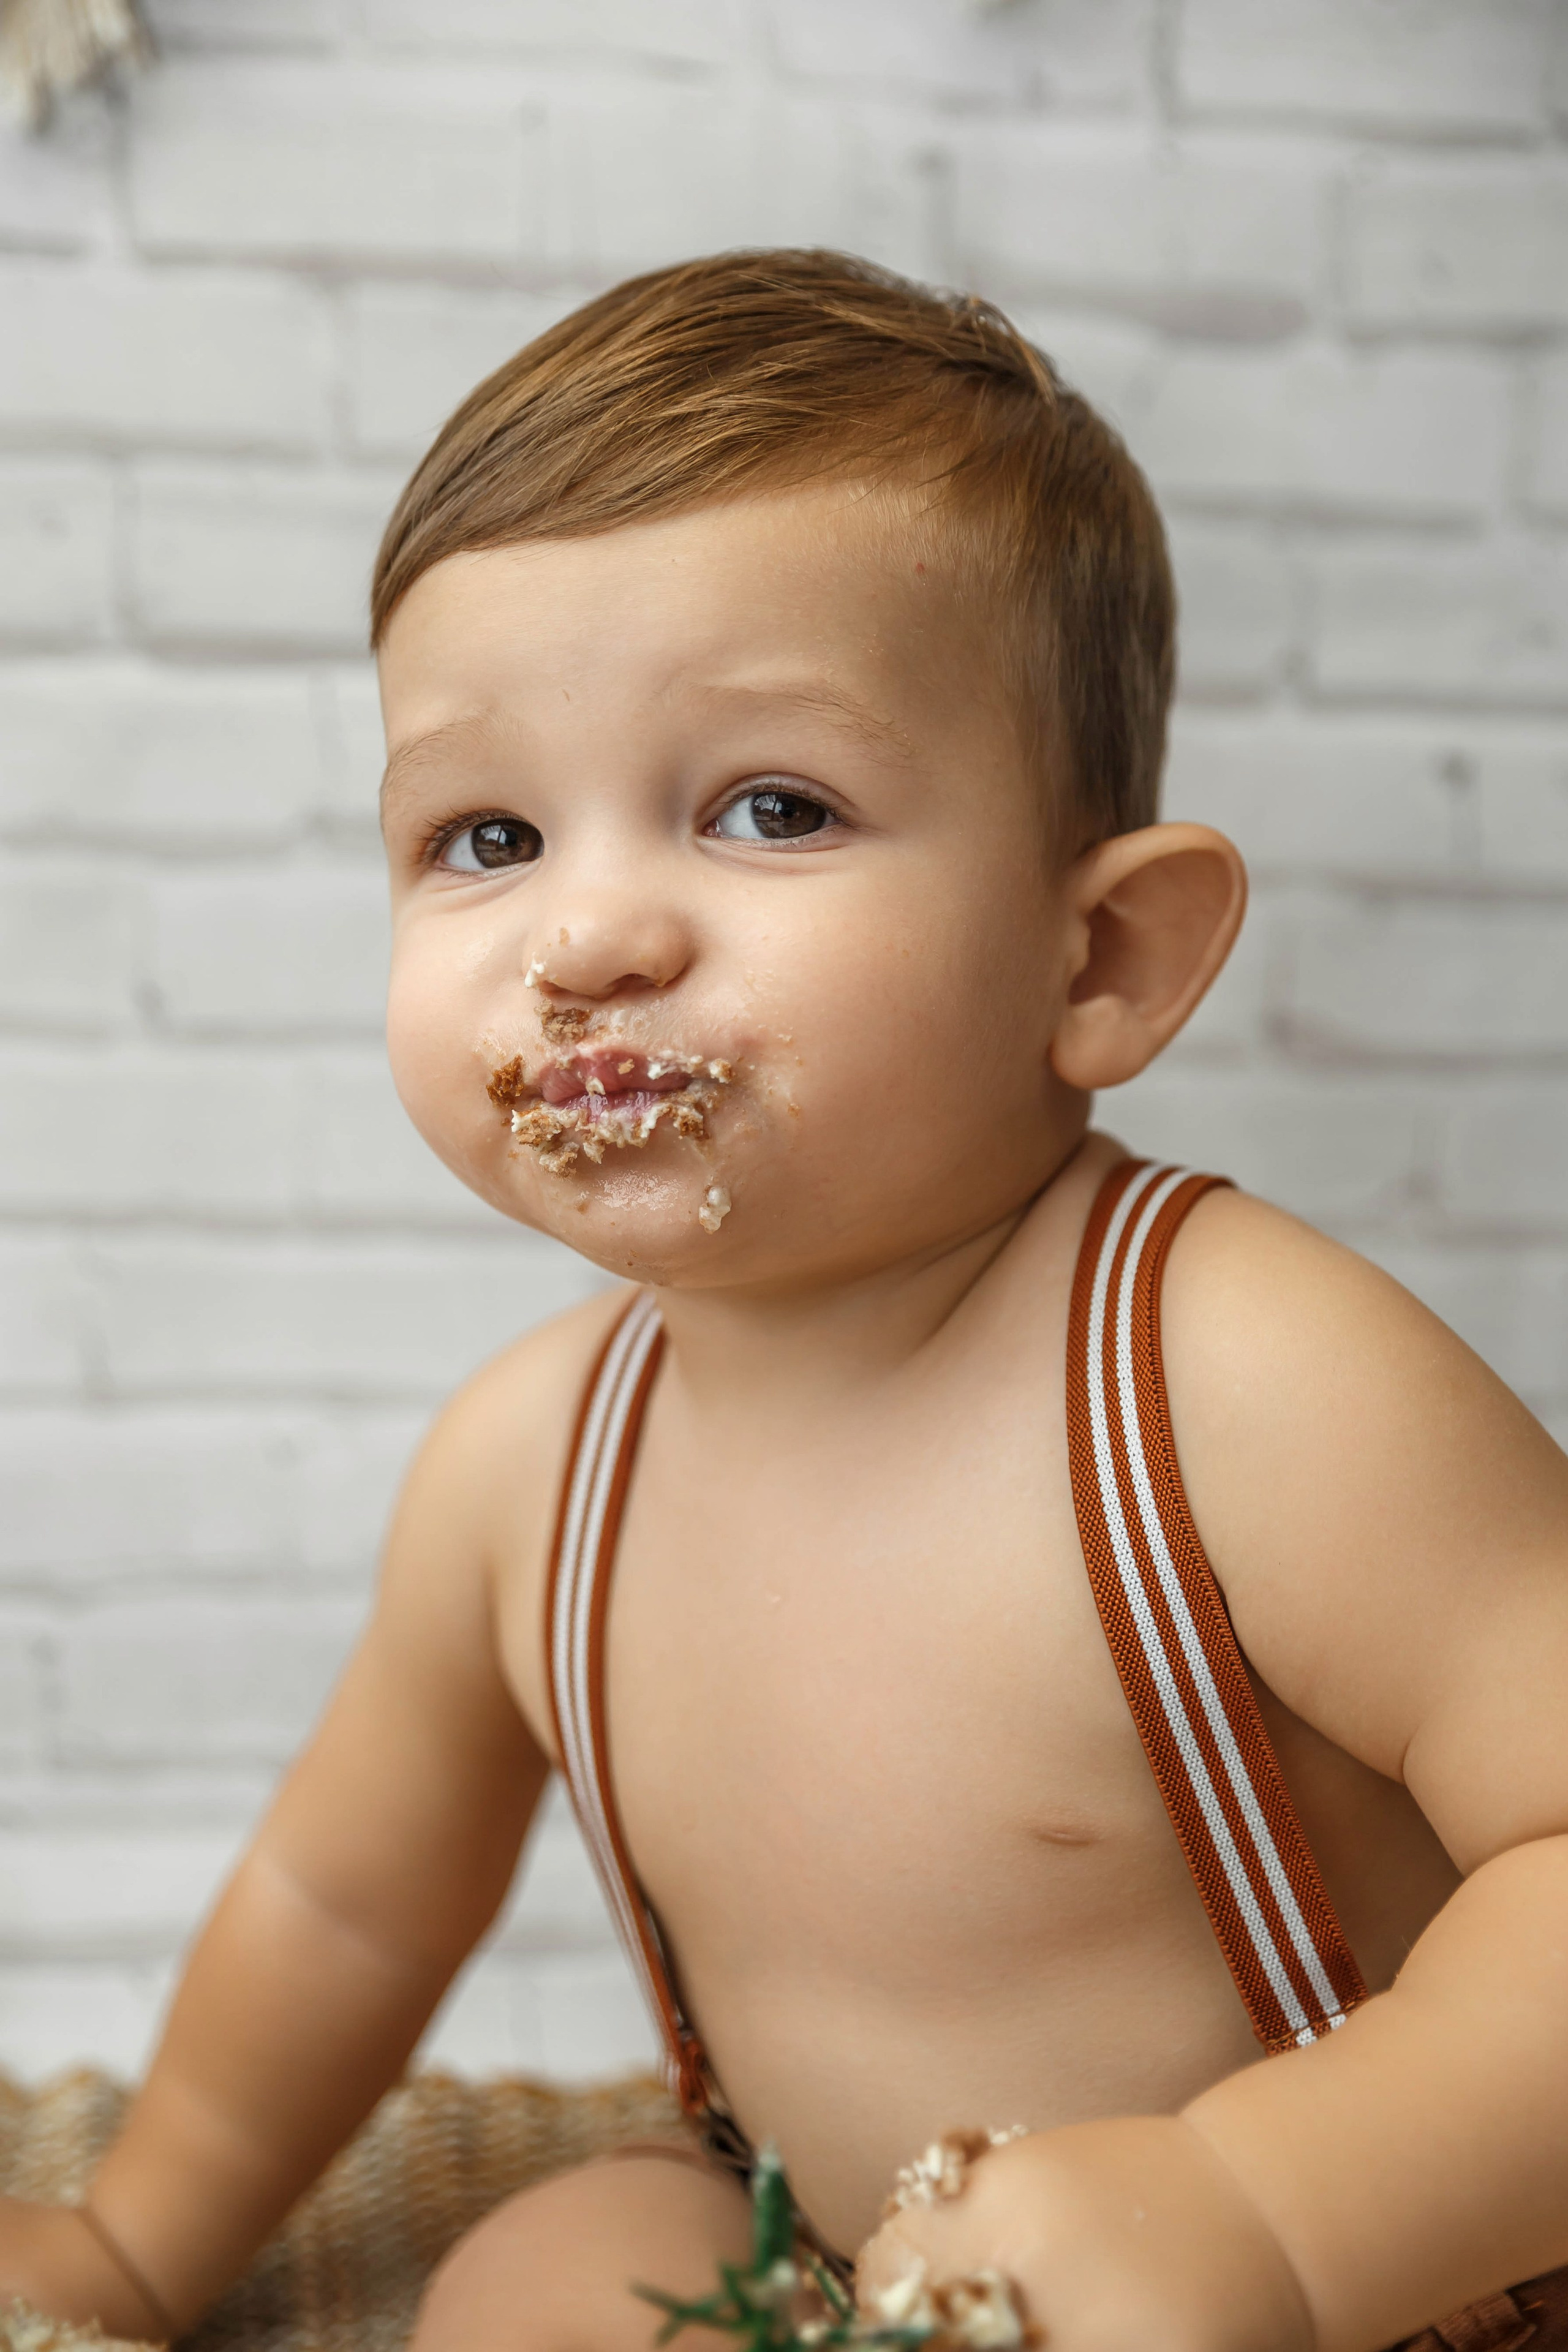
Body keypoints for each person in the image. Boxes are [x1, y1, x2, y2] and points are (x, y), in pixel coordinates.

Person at [4, 248, 1567, 2352]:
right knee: (540, 2275)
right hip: (832, 2277)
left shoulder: (1231, 1379)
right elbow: (343, 1906)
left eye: (769, 807)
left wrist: (1263, 2210)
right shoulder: (530, 1471)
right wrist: (128, 2248)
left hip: (1357, 2285)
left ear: (1096, 962)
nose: (588, 933)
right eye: (482, 833)